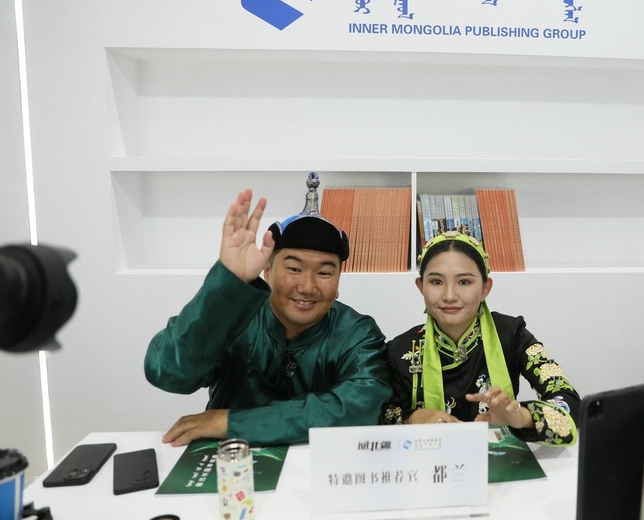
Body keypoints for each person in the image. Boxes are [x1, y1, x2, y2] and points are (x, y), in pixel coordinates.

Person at [144, 188, 391, 446]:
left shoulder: (357, 333)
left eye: (324, 273)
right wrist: (226, 286)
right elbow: (167, 373)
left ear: (338, 281)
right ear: (267, 270)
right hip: (232, 459)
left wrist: (232, 423)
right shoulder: (233, 316)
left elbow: (361, 406)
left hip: (317, 463)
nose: (307, 286)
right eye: (294, 268)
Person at [379, 231, 580, 446]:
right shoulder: (400, 349)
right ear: (421, 287)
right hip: (431, 463)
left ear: (485, 288)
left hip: (502, 463)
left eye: (464, 282)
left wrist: (521, 417)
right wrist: (413, 419)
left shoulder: (512, 334)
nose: (449, 295)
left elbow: (568, 402)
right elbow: (381, 419)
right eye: (436, 281)